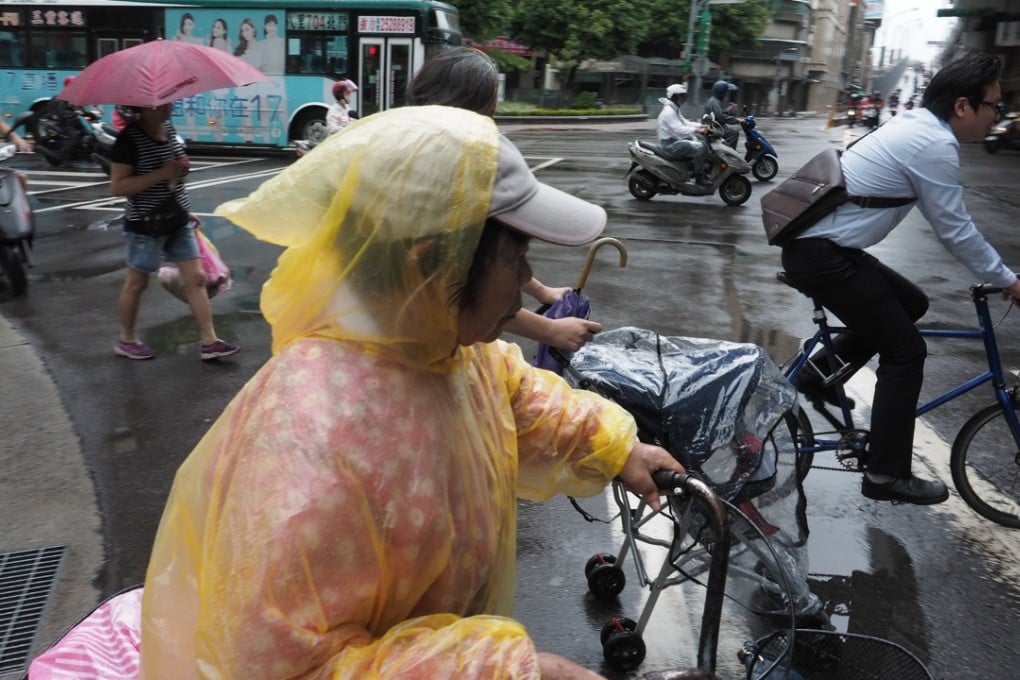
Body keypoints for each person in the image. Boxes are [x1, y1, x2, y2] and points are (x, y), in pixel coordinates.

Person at [139, 105, 685, 679]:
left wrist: (617, 447)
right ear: (433, 261)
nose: (528, 276)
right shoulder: (306, 445)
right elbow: (285, 666)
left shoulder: (443, 349)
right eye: (516, 257)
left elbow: (517, 396)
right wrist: (502, 672)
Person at [780, 52, 1020, 506]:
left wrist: (1004, 275)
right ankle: (886, 474)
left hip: (826, 250)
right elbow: (954, 228)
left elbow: (950, 225)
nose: (997, 115)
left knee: (911, 304)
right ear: (964, 106)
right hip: (824, 256)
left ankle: (817, 378)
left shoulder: (918, 126)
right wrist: (1009, 280)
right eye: (994, 105)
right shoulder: (933, 144)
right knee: (906, 350)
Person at [405, 46, 603, 352]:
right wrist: (549, 330)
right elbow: (467, 292)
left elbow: (490, 261)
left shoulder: (434, 149)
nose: (490, 123)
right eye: (487, 112)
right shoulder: (434, 175)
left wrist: (541, 291)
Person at [108, 103, 240, 361]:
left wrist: (180, 176)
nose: (169, 106)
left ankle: (209, 341)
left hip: (177, 219)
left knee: (197, 279)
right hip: (146, 224)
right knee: (137, 283)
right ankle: (127, 339)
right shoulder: (128, 140)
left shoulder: (168, 130)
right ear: (144, 108)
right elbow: (118, 187)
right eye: (161, 103)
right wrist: (162, 173)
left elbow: (173, 176)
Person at [657, 83, 711, 186]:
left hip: (674, 141)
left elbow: (685, 122)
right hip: (670, 145)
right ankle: (699, 177)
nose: (684, 99)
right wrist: (697, 130)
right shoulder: (669, 112)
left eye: (684, 96)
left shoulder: (674, 109)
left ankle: (695, 169)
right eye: (682, 96)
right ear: (674, 96)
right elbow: (678, 129)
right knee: (701, 147)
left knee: (700, 141)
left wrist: (701, 126)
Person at [704, 80, 740, 148]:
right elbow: (722, 118)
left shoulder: (715, 101)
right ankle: (728, 154)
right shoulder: (714, 102)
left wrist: (728, 111)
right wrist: (738, 121)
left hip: (716, 126)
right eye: (726, 91)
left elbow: (720, 114)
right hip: (714, 128)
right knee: (734, 132)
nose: (727, 94)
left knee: (732, 130)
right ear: (722, 92)